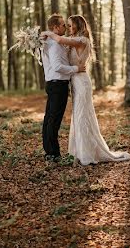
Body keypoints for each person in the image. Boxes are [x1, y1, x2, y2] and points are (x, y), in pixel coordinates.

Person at [44, 15, 130, 165]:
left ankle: (86, 154)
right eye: (67, 25)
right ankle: (78, 151)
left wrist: (47, 33)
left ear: (78, 26)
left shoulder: (82, 40)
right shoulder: (73, 42)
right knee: (79, 117)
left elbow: (59, 40)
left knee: (82, 116)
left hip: (81, 81)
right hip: (75, 81)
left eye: (70, 26)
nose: (68, 29)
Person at [40, 13, 84, 162]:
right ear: (55, 27)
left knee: (49, 118)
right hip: (58, 85)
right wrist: (76, 69)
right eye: (63, 24)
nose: (65, 27)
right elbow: (58, 66)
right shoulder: (54, 45)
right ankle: (53, 154)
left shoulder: (49, 42)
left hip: (53, 84)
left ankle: (49, 151)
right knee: (54, 119)